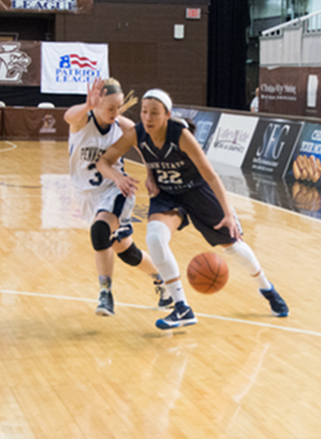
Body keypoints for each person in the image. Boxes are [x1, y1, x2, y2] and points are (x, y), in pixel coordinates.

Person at [97, 88, 289, 330]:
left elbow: (211, 176)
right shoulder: (137, 133)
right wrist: (120, 177)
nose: (147, 118)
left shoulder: (181, 136)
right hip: (167, 195)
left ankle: (267, 288)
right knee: (155, 238)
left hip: (197, 192)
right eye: (144, 112)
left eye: (154, 113)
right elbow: (103, 160)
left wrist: (228, 212)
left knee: (234, 247)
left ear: (167, 115)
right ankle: (182, 308)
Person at [64, 77, 173, 317]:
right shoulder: (83, 120)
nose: (115, 112)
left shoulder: (123, 126)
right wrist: (86, 105)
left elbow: (145, 148)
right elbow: (68, 116)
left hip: (117, 189)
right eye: (110, 108)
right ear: (98, 104)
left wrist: (150, 173)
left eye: (119, 107)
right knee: (126, 251)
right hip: (87, 196)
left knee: (100, 231)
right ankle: (162, 280)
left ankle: (105, 294)